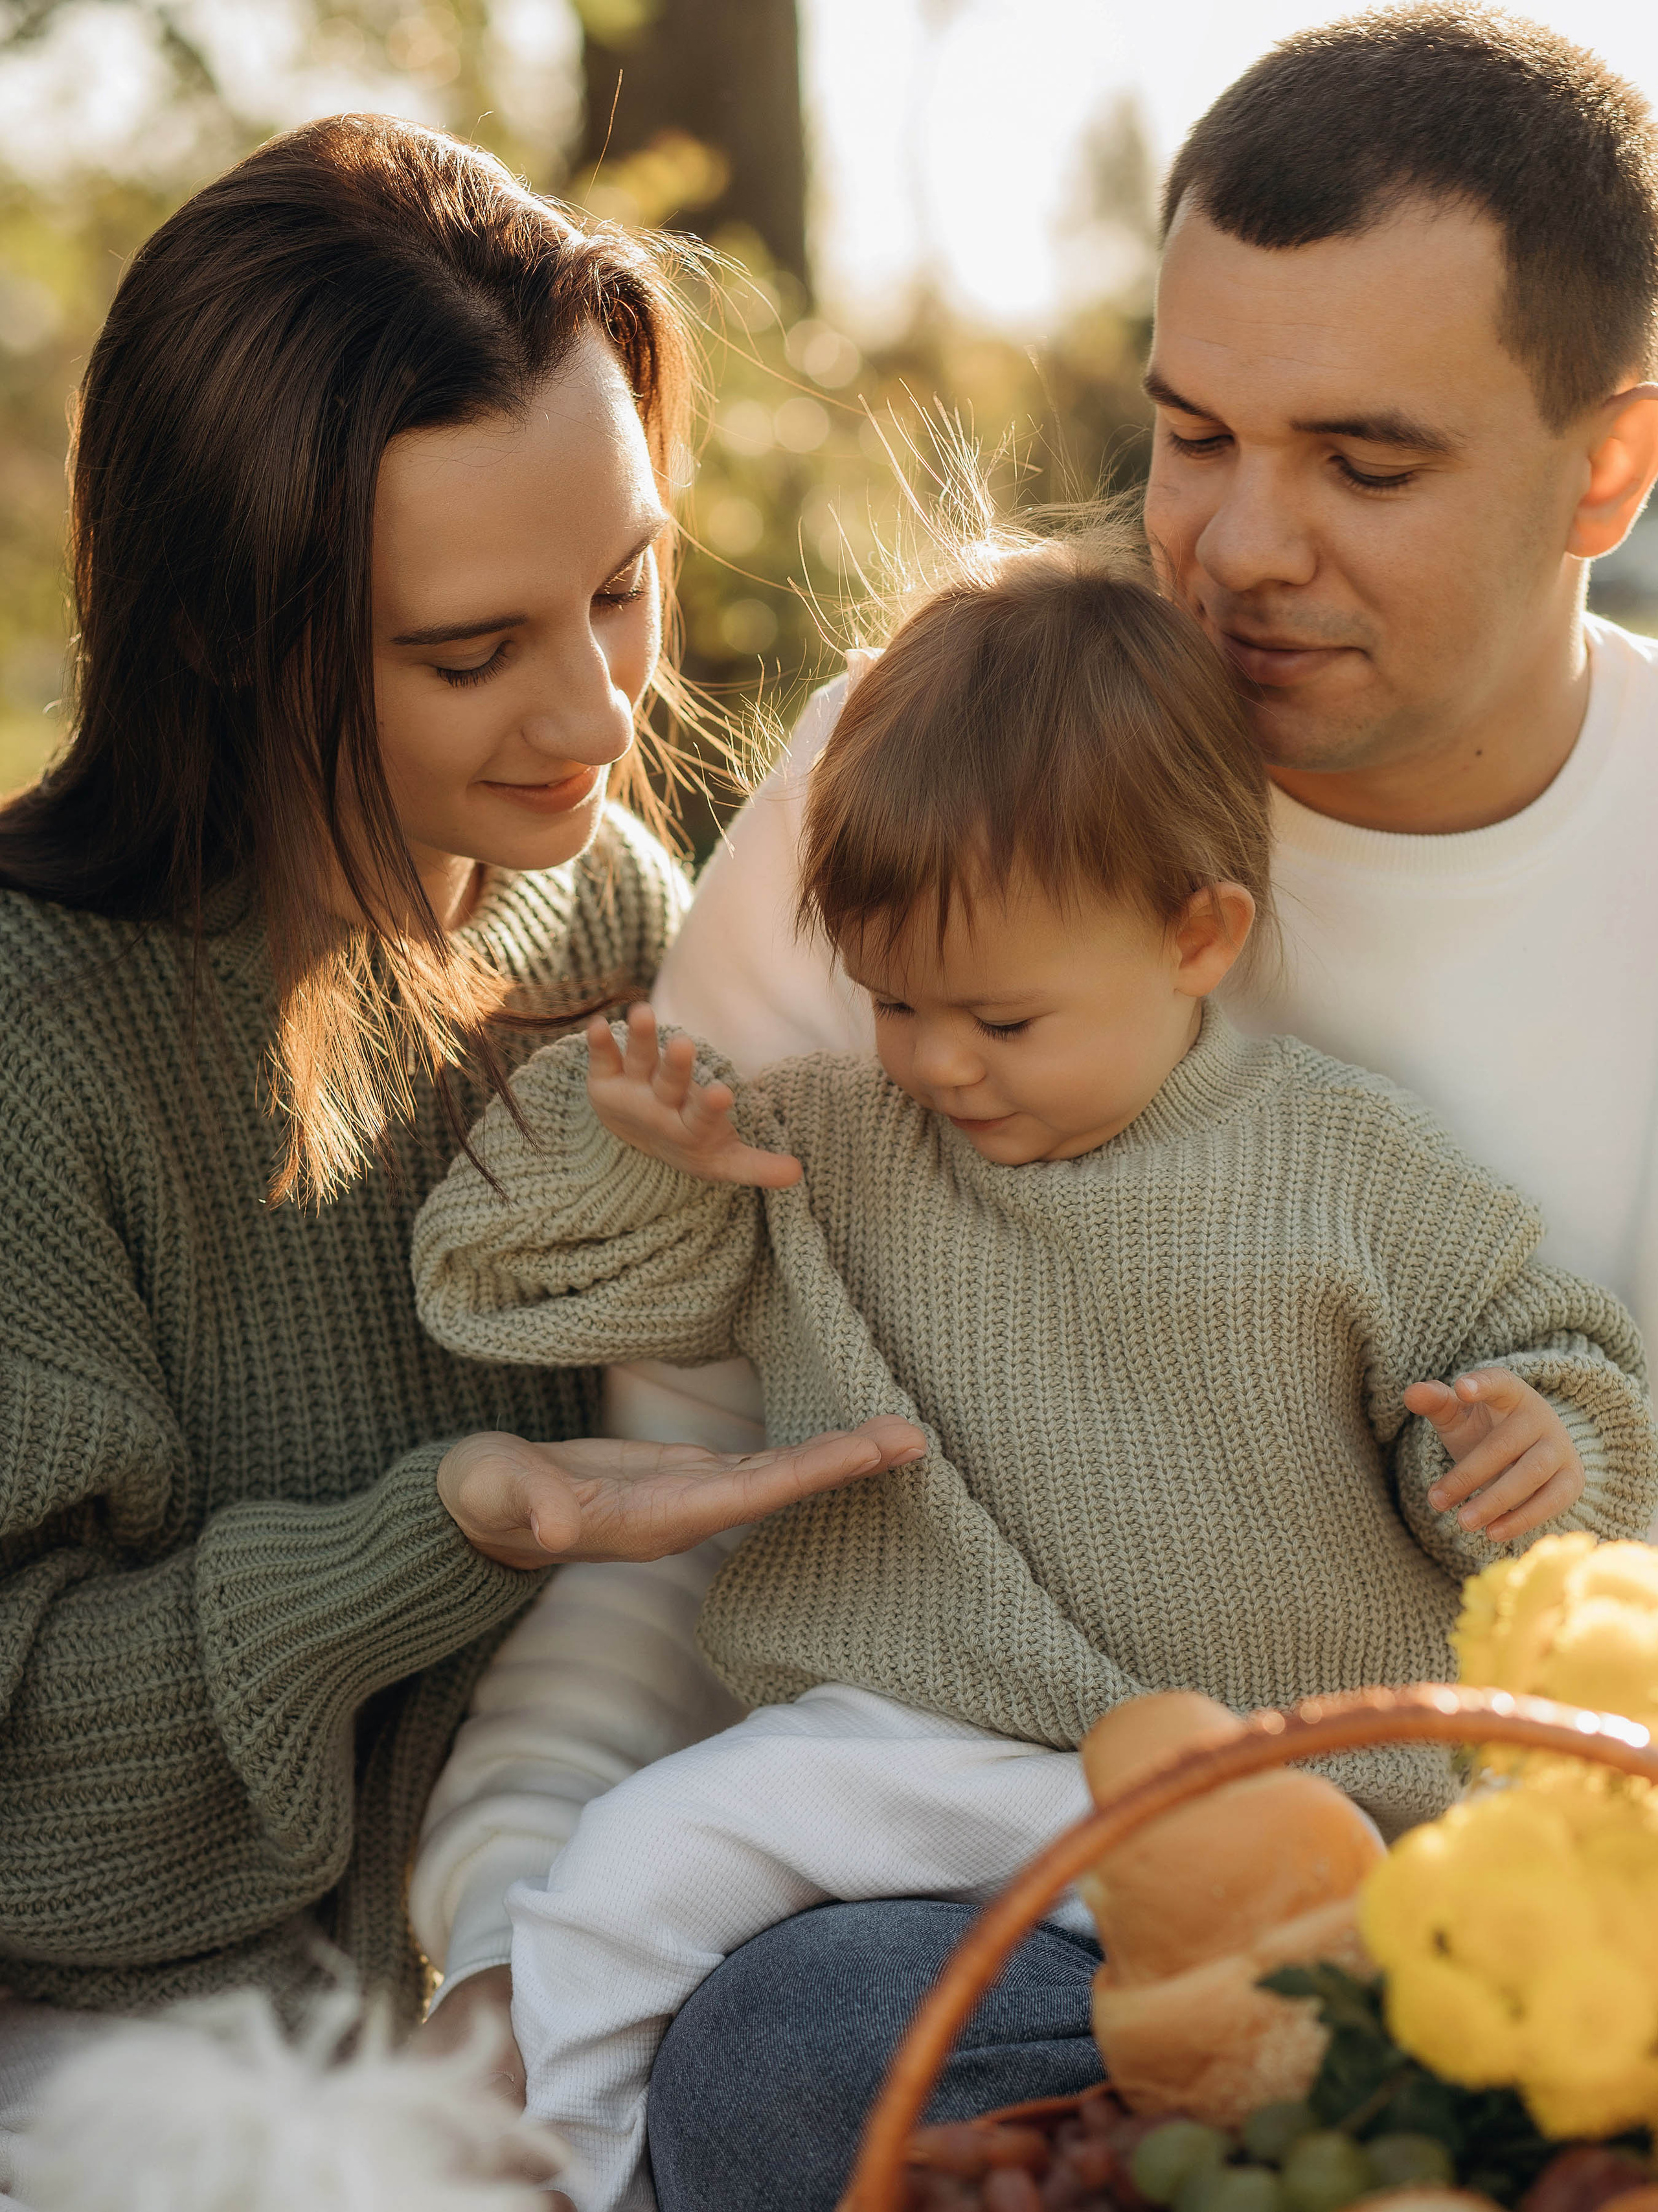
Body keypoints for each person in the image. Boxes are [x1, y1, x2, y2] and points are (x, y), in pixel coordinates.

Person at [618, 7, 1658, 2206]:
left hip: (1555, 1908)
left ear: (1611, 468)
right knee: (790, 2054)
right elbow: (663, 1472)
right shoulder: (943, 762)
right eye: (1192, 435)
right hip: (1000, 1886)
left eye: (1366, 465)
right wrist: (503, 1965)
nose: (1242, 545)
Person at [409, 530, 1658, 2212]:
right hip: (917, 1750)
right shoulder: (830, 1147)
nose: (935, 1062)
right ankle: (554, 2174)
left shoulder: (1352, 1174)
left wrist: (1537, 1441)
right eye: (896, 1003)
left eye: (999, 1024)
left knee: (1371, 1963)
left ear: (1199, 939)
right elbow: (509, 1286)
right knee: (634, 1866)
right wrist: (641, 1151)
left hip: (1270, 1784)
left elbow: (1558, 1367)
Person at [0, 113, 922, 2209]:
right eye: (466, 649)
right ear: (233, 630)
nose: (597, 712)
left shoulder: (605, 916)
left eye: (623, 584)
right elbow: (22, 1773)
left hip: (526, 2010)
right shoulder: (36, 1041)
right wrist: (452, 1530)